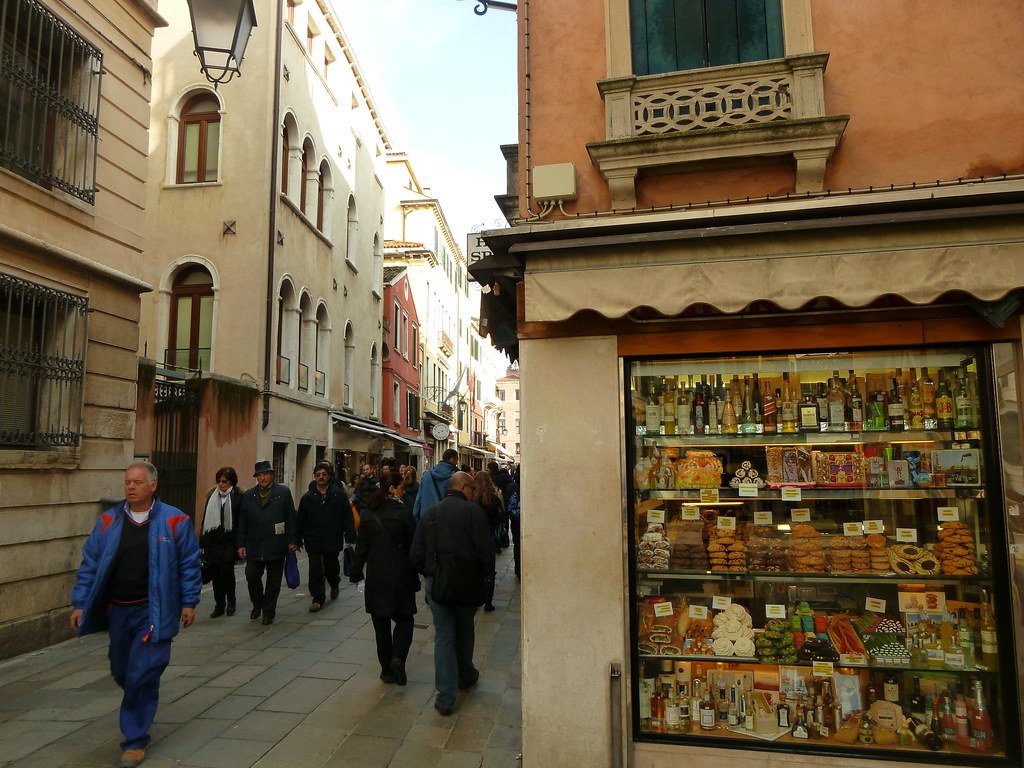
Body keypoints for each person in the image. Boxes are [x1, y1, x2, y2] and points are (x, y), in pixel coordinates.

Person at [70, 461, 201, 768]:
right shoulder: (107, 522)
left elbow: (189, 565)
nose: (130, 487)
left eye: (137, 482)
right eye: (128, 481)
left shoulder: (175, 521)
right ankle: (139, 696)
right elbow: (89, 564)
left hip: (152, 611)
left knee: (142, 672)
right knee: (122, 671)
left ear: (153, 486)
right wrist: (80, 603)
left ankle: (134, 741)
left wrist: (189, 602)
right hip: (118, 611)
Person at [410, 471, 495, 716]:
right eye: (473, 489)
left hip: (439, 585)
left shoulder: (431, 514)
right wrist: (485, 575)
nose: (474, 494)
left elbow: (416, 555)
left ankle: (445, 697)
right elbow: (485, 551)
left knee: (444, 636)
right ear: (464, 488)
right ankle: (465, 674)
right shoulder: (473, 512)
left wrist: (430, 572)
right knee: (465, 629)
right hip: (468, 583)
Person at [348, 470, 419, 686]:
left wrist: (356, 572)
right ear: (392, 489)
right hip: (401, 575)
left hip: (377, 576)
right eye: (401, 487)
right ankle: (398, 657)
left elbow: (361, 548)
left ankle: (386, 670)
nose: (403, 491)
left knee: (381, 625)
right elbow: (414, 546)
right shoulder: (405, 513)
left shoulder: (369, 514)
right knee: (405, 619)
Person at [236, 460, 297, 625]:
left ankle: (268, 612)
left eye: (266, 474)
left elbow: (291, 517)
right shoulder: (249, 495)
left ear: (272, 475)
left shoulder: (283, 492)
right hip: (255, 544)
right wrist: (241, 544)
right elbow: (243, 521)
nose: (263, 478)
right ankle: (257, 604)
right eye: (260, 475)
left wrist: (293, 540)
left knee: (274, 580)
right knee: (251, 574)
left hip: (277, 543)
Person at [297, 462, 355, 612]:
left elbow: (347, 517)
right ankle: (318, 598)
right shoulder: (308, 498)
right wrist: (296, 539)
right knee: (315, 568)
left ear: (329, 476)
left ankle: (334, 583)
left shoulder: (338, 495)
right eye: (318, 475)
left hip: (332, 537)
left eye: (324, 474)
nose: (321, 477)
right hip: (313, 539)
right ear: (314, 477)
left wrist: (349, 537)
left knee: (331, 567)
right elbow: (300, 520)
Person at [200, 466, 243, 617]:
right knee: (216, 575)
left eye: (224, 481)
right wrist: (203, 545)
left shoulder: (238, 497)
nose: (221, 484)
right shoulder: (212, 497)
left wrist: (240, 544)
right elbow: (205, 521)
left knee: (227, 573)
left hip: (230, 542)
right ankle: (219, 605)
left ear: (232, 482)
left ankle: (231, 601)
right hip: (214, 543)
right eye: (218, 481)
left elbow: (241, 522)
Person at [473, 470, 506, 611]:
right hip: (489, 538)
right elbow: (502, 518)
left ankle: (476, 596)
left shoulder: (472, 499)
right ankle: (488, 602)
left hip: (473, 539)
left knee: (475, 569)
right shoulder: (495, 499)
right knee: (489, 570)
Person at [411, 448, 459, 521]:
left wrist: (416, 519)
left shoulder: (426, 475)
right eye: (456, 461)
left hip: (426, 520)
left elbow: (419, 499)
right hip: (446, 520)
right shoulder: (455, 477)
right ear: (453, 459)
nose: (456, 464)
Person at [506, 467, 521, 579]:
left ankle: (518, 569)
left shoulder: (512, 488)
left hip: (516, 523)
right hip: (520, 522)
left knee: (517, 545)